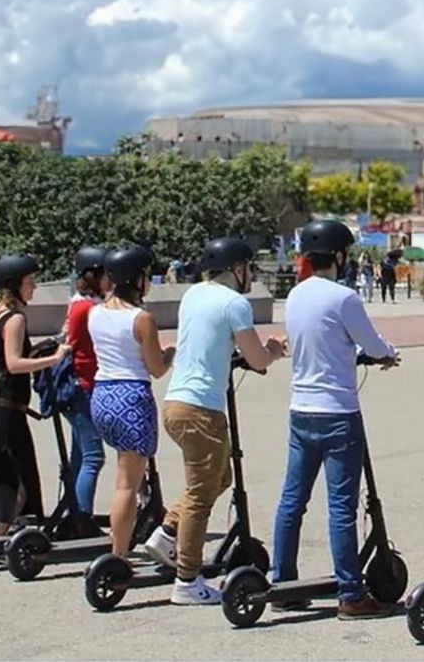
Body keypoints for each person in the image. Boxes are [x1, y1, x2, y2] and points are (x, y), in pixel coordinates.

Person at [144, 238, 286, 606]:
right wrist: (273, 351)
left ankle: (167, 531)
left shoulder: (194, 294)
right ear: (236, 269)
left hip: (176, 403)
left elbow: (211, 340)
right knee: (201, 495)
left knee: (219, 477)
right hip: (202, 410)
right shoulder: (235, 303)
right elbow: (257, 358)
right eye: (248, 268)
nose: (250, 274)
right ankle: (187, 582)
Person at [273, 219, 399, 620]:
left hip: (301, 409)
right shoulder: (344, 298)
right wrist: (387, 354)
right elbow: (373, 343)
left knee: (293, 500)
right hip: (338, 412)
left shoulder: (295, 296)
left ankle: (283, 582)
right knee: (342, 506)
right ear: (340, 256)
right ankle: (350, 592)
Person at [90, 247, 175, 560]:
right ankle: (119, 555)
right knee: (127, 485)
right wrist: (169, 356)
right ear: (136, 279)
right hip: (131, 397)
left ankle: (123, 544)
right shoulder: (142, 319)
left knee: (124, 475)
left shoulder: (95, 313)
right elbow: (155, 367)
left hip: (102, 395)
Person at [0, 255, 69, 540]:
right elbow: (14, 363)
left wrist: (44, 347)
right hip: (8, 411)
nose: (34, 287)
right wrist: (54, 359)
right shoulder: (15, 318)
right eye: (30, 282)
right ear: (13, 285)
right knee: (18, 478)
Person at [64, 246, 111, 515]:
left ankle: (74, 511)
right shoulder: (87, 309)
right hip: (84, 386)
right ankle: (81, 517)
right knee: (94, 456)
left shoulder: (80, 304)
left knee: (79, 456)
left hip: (81, 385)